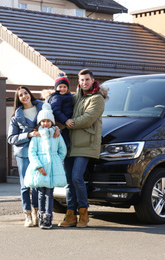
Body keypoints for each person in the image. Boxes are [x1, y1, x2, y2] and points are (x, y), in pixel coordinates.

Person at [58, 69, 108, 228]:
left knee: (77, 177)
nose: (84, 82)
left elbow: (87, 119)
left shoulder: (97, 98)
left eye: (87, 79)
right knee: (69, 181)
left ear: (92, 80)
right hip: (72, 144)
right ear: (78, 82)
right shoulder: (76, 97)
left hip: (86, 143)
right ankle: (71, 214)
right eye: (81, 80)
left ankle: (84, 213)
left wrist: (68, 122)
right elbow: (61, 101)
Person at [7, 86, 60, 227]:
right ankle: (27, 214)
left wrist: (57, 128)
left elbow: (51, 121)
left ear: (30, 94)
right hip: (24, 153)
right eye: (21, 95)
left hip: (41, 151)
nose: (24, 96)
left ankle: (38, 212)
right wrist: (29, 134)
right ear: (18, 99)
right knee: (25, 185)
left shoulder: (42, 108)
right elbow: (11, 138)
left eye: (26, 93)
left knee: (37, 183)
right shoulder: (16, 116)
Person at [24, 103, 67, 229]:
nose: (46, 123)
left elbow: (62, 150)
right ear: (40, 122)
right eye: (43, 121)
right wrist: (38, 166)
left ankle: (48, 217)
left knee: (50, 193)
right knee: (41, 193)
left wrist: (57, 161)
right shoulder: (36, 136)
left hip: (52, 168)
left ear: (52, 122)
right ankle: (41, 216)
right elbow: (32, 152)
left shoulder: (56, 135)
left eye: (48, 121)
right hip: (40, 168)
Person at [45, 73, 73, 148]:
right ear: (56, 88)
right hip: (61, 124)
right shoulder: (56, 97)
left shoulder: (69, 96)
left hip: (66, 125)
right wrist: (65, 120)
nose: (62, 89)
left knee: (67, 144)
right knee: (64, 144)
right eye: (60, 87)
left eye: (65, 87)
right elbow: (56, 110)